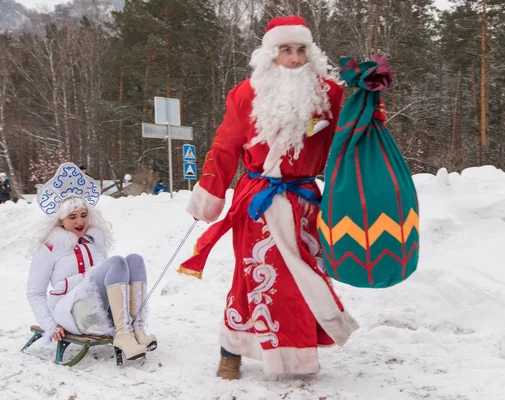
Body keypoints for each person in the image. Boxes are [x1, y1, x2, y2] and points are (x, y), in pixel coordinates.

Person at [181, 15, 358, 380]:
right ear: (270, 54)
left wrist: (372, 105)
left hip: (304, 201)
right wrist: (210, 195)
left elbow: (349, 140)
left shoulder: (329, 95)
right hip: (257, 201)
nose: (294, 59)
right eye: (285, 51)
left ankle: (297, 356)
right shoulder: (245, 93)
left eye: (300, 50)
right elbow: (224, 146)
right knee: (252, 277)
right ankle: (231, 350)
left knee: (299, 279)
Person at [26, 163, 157, 361]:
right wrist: (50, 325)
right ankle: (122, 334)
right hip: (71, 312)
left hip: (101, 312)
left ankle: (136, 329)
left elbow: (110, 283)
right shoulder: (50, 248)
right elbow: (34, 292)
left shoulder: (94, 240)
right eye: (72, 217)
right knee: (116, 263)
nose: (80, 222)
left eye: (84, 215)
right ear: (60, 220)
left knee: (134, 261)